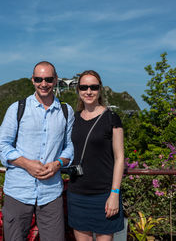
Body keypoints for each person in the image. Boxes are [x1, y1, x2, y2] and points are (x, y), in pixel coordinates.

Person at [0, 61, 74, 241]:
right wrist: (26, 164)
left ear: (55, 80)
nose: (43, 84)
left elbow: (70, 147)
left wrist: (57, 164)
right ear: (32, 80)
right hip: (18, 190)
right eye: (39, 79)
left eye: (48, 79)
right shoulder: (17, 108)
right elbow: (1, 145)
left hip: (51, 192)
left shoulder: (65, 111)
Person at [67, 70, 125, 241]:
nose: (89, 91)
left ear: (100, 90)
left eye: (93, 87)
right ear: (78, 90)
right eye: (84, 87)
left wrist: (114, 193)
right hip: (77, 194)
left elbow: (120, 157)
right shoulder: (73, 119)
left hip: (104, 195)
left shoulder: (112, 118)